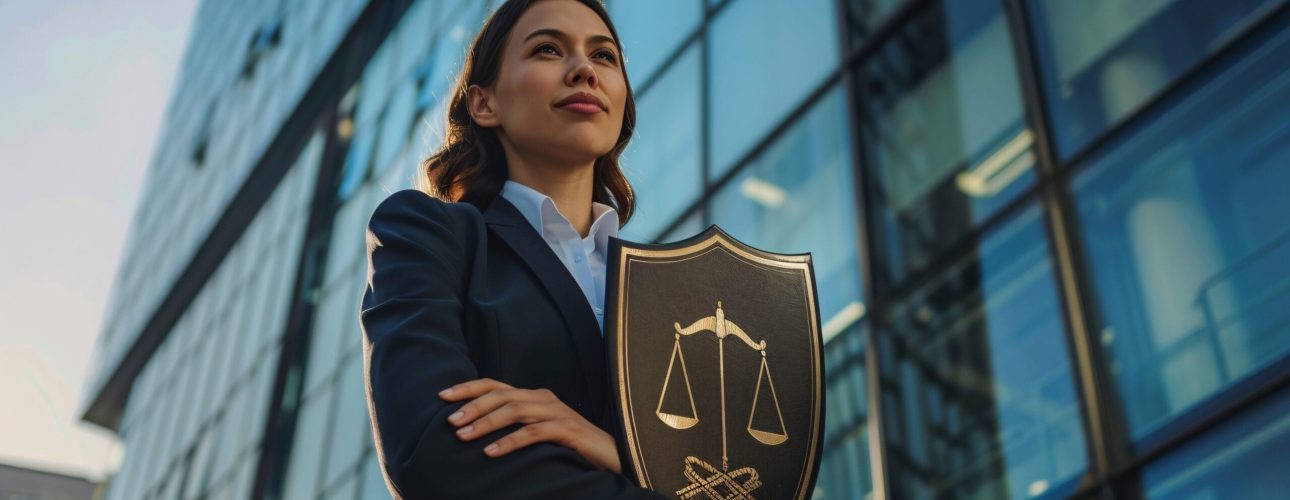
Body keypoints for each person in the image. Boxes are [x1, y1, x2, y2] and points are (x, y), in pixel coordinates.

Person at [359, 0, 667, 498]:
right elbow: (433, 450)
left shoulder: (672, 283)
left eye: (604, 57)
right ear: (485, 104)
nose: (584, 70)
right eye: (547, 49)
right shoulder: (427, 234)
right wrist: (646, 475)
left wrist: (617, 452)